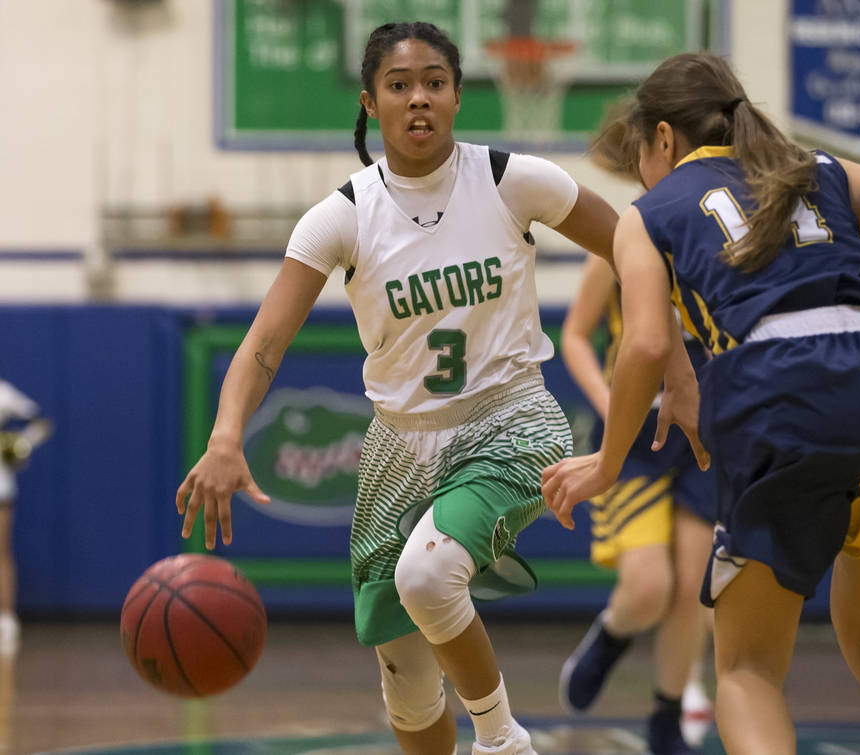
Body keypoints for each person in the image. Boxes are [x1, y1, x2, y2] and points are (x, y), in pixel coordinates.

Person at [175, 21, 623, 755]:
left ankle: (504, 740)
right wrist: (226, 436)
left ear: (455, 96)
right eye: (399, 84)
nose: (419, 98)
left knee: (428, 574)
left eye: (435, 83)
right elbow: (262, 345)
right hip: (400, 444)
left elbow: (634, 246)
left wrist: (671, 345)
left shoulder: (515, 178)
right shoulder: (343, 214)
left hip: (508, 417)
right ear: (370, 102)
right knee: (408, 682)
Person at [541, 52, 860, 755]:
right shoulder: (814, 168)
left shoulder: (649, 211)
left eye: (641, 156)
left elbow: (646, 344)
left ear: (663, 139)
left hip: (784, 392)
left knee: (748, 668)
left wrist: (605, 459)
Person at [557, 253, 715, 754]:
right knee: (649, 588)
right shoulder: (621, 237)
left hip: (703, 433)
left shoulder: (726, 234)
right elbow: (575, 335)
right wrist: (613, 406)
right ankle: (611, 635)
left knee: (694, 588)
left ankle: (666, 718)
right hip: (635, 440)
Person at [0, 376, 52, 655]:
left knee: (1, 552)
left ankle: (6, 620)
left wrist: (20, 443)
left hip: (1, 486)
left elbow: (41, 420)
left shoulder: (4, 393)